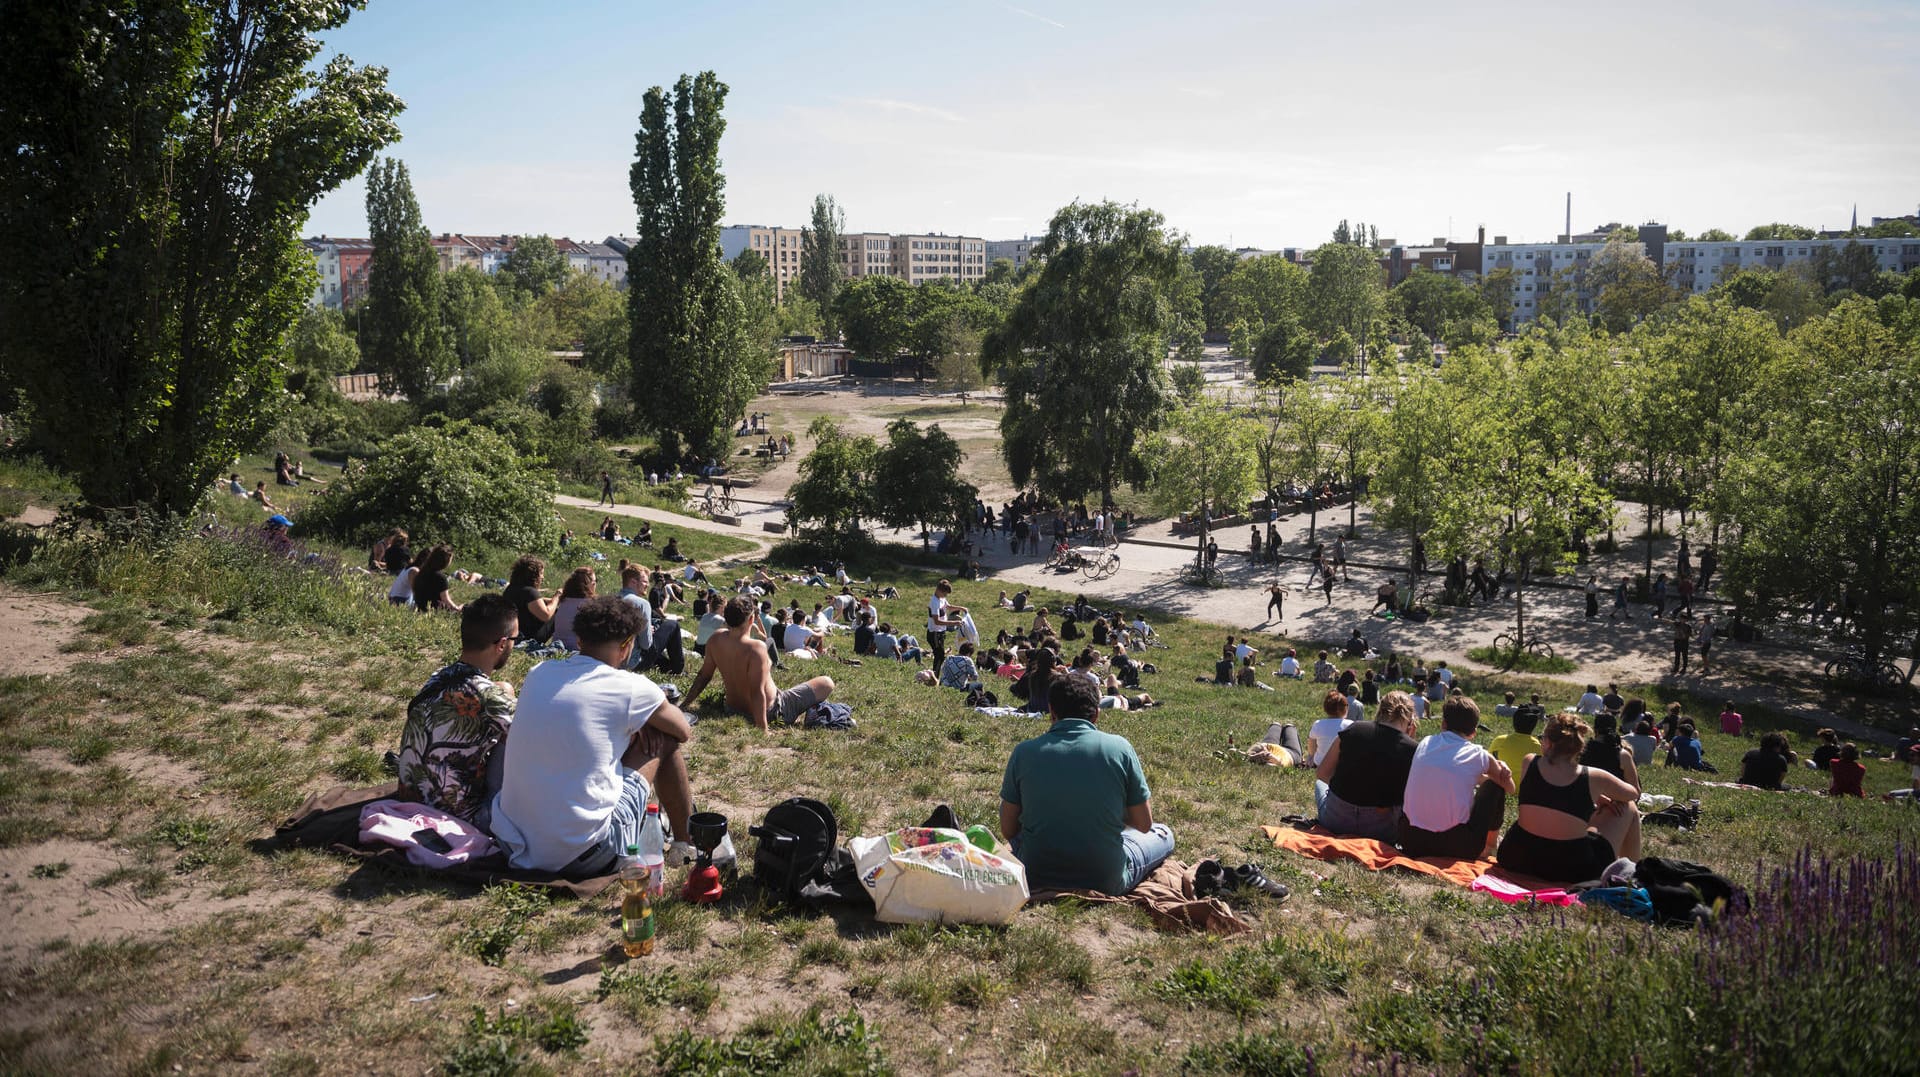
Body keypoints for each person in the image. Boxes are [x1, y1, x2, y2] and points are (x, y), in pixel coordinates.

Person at [487, 597, 696, 874]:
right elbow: (682, 730)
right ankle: (685, 842)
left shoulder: (540, 672)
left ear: (580, 640)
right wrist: (644, 720)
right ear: (627, 646)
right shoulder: (631, 687)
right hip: (586, 852)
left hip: (514, 843)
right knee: (664, 738)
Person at [998, 676, 1174, 896]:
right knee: (1163, 832)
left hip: (1036, 872)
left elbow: (1008, 829)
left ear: (1052, 711)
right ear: (1097, 713)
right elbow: (1144, 823)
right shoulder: (1120, 748)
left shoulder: (1024, 752)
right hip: (1105, 878)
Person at [395, 594, 521, 830]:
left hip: (410, 799)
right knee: (517, 736)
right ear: (502, 644)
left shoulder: (438, 677)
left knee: (505, 690)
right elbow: (536, 742)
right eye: (516, 638)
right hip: (461, 818)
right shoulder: (488, 698)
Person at [1495, 715, 1643, 884]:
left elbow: (1549, 792)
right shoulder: (1595, 777)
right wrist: (1626, 761)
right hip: (1571, 869)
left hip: (1517, 857)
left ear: (1548, 742)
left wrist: (1594, 795)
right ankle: (1633, 877)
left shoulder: (1529, 761)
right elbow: (1633, 793)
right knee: (1629, 807)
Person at [682, 597, 836, 733]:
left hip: (732, 708)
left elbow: (704, 676)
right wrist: (763, 729)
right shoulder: (756, 648)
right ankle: (787, 716)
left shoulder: (715, 639)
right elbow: (757, 692)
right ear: (751, 620)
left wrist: (684, 705)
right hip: (771, 712)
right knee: (826, 682)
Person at [1399, 696, 1514, 859]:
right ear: (1473, 732)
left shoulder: (1425, 742)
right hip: (1456, 846)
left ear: (1443, 723)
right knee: (1495, 787)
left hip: (1410, 839)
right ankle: (1490, 846)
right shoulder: (1478, 755)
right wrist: (1501, 770)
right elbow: (1510, 788)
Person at [1313, 691, 1419, 842]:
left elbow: (1322, 773)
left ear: (1380, 710)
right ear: (1410, 722)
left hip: (1336, 820)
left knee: (1319, 785)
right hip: (1381, 830)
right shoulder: (1413, 749)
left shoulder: (1353, 729)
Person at [1578, 712, 1641, 793]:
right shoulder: (1623, 754)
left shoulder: (1580, 751)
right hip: (1615, 801)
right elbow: (1636, 790)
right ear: (1615, 729)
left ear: (1595, 730)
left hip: (1585, 798)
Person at [504, 556, 558, 642]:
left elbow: (531, 602)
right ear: (534, 575)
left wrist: (550, 601)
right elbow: (546, 615)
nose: (543, 577)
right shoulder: (530, 592)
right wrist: (557, 597)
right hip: (530, 636)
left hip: (513, 633)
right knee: (556, 611)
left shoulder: (511, 588)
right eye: (541, 573)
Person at [549, 567, 597, 650]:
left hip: (557, 646)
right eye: (595, 582)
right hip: (577, 649)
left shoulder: (564, 601)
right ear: (591, 585)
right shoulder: (591, 605)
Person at [1489, 703, 1542, 777]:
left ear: (1514, 723)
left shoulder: (1500, 740)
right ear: (1533, 726)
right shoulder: (1537, 746)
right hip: (1525, 788)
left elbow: (1488, 762)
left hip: (1503, 786)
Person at [1305, 689, 1354, 767]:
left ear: (1326, 708)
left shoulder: (1318, 724)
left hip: (1320, 764)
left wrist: (1310, 757)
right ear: (1345, 708)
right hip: (1343, 765)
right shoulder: (1351, 725)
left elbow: (1311, 749)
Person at [927, 580, 964, 668]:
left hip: (941, 632)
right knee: (939, 656)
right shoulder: (934, 602)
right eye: (945, 594)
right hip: (935, 633)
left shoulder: (942, 598)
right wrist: (954, 622)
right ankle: (935, 677)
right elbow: (937, 621)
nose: (946, 596)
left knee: (941, 656)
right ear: (939, 590)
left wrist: (961, 608)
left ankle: (935, 676)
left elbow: (948, 607)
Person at [412, 545, 459, 614]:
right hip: (433, 611)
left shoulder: (421, 573)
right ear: (447, 559)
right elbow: (447, 601)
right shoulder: (440, 577)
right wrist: (458, 609)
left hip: (419, 610)